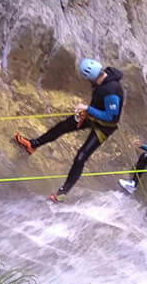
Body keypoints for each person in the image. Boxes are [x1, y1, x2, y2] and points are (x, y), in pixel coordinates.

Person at [14, 58, 124, 202]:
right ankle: (33, 145)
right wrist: (88, 112)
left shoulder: (111, 90)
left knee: (80, 157)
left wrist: (87, 109)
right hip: (93, 115)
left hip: (105, 126)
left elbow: (111, 117)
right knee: (63, 126)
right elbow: (99, 100)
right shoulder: (102, 79)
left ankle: (62, 193)